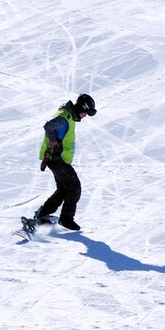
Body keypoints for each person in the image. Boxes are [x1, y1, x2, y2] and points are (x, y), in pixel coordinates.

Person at [33, 93, 97, 231]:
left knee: (63, 189)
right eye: (85, 113)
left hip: (57, 159)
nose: (85, 116)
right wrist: (52, 140)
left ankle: (43, 214)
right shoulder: (64, 117)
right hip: (57, 159)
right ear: (81, 107)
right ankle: (66, 219)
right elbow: (48, 126)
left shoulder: (68, 115)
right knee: (74, 188)